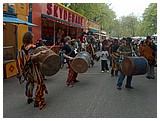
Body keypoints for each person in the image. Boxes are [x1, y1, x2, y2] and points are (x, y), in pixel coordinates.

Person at [16, 31, 48, 110]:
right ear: (30, 39)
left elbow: (21, 59)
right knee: (40, 83)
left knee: (31, 82)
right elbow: (31, 57)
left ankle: (29, 97)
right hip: (32, 69)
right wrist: (41, 52)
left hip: (26, 70)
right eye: (32, 37)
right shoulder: (31, 47)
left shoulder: (22, 47)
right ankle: (38, 101)